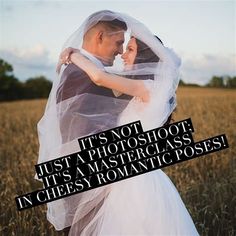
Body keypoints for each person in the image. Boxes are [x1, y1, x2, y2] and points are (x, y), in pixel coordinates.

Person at [37, 10, 199, 235]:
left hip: (132, 180)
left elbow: (99, 77)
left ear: (144, 57)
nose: (122, 53)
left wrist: (73, 54)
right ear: (100, 36)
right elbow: (103, 79)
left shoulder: (144, 89)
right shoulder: (144, 88)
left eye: (129, 48)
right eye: (122, 45)